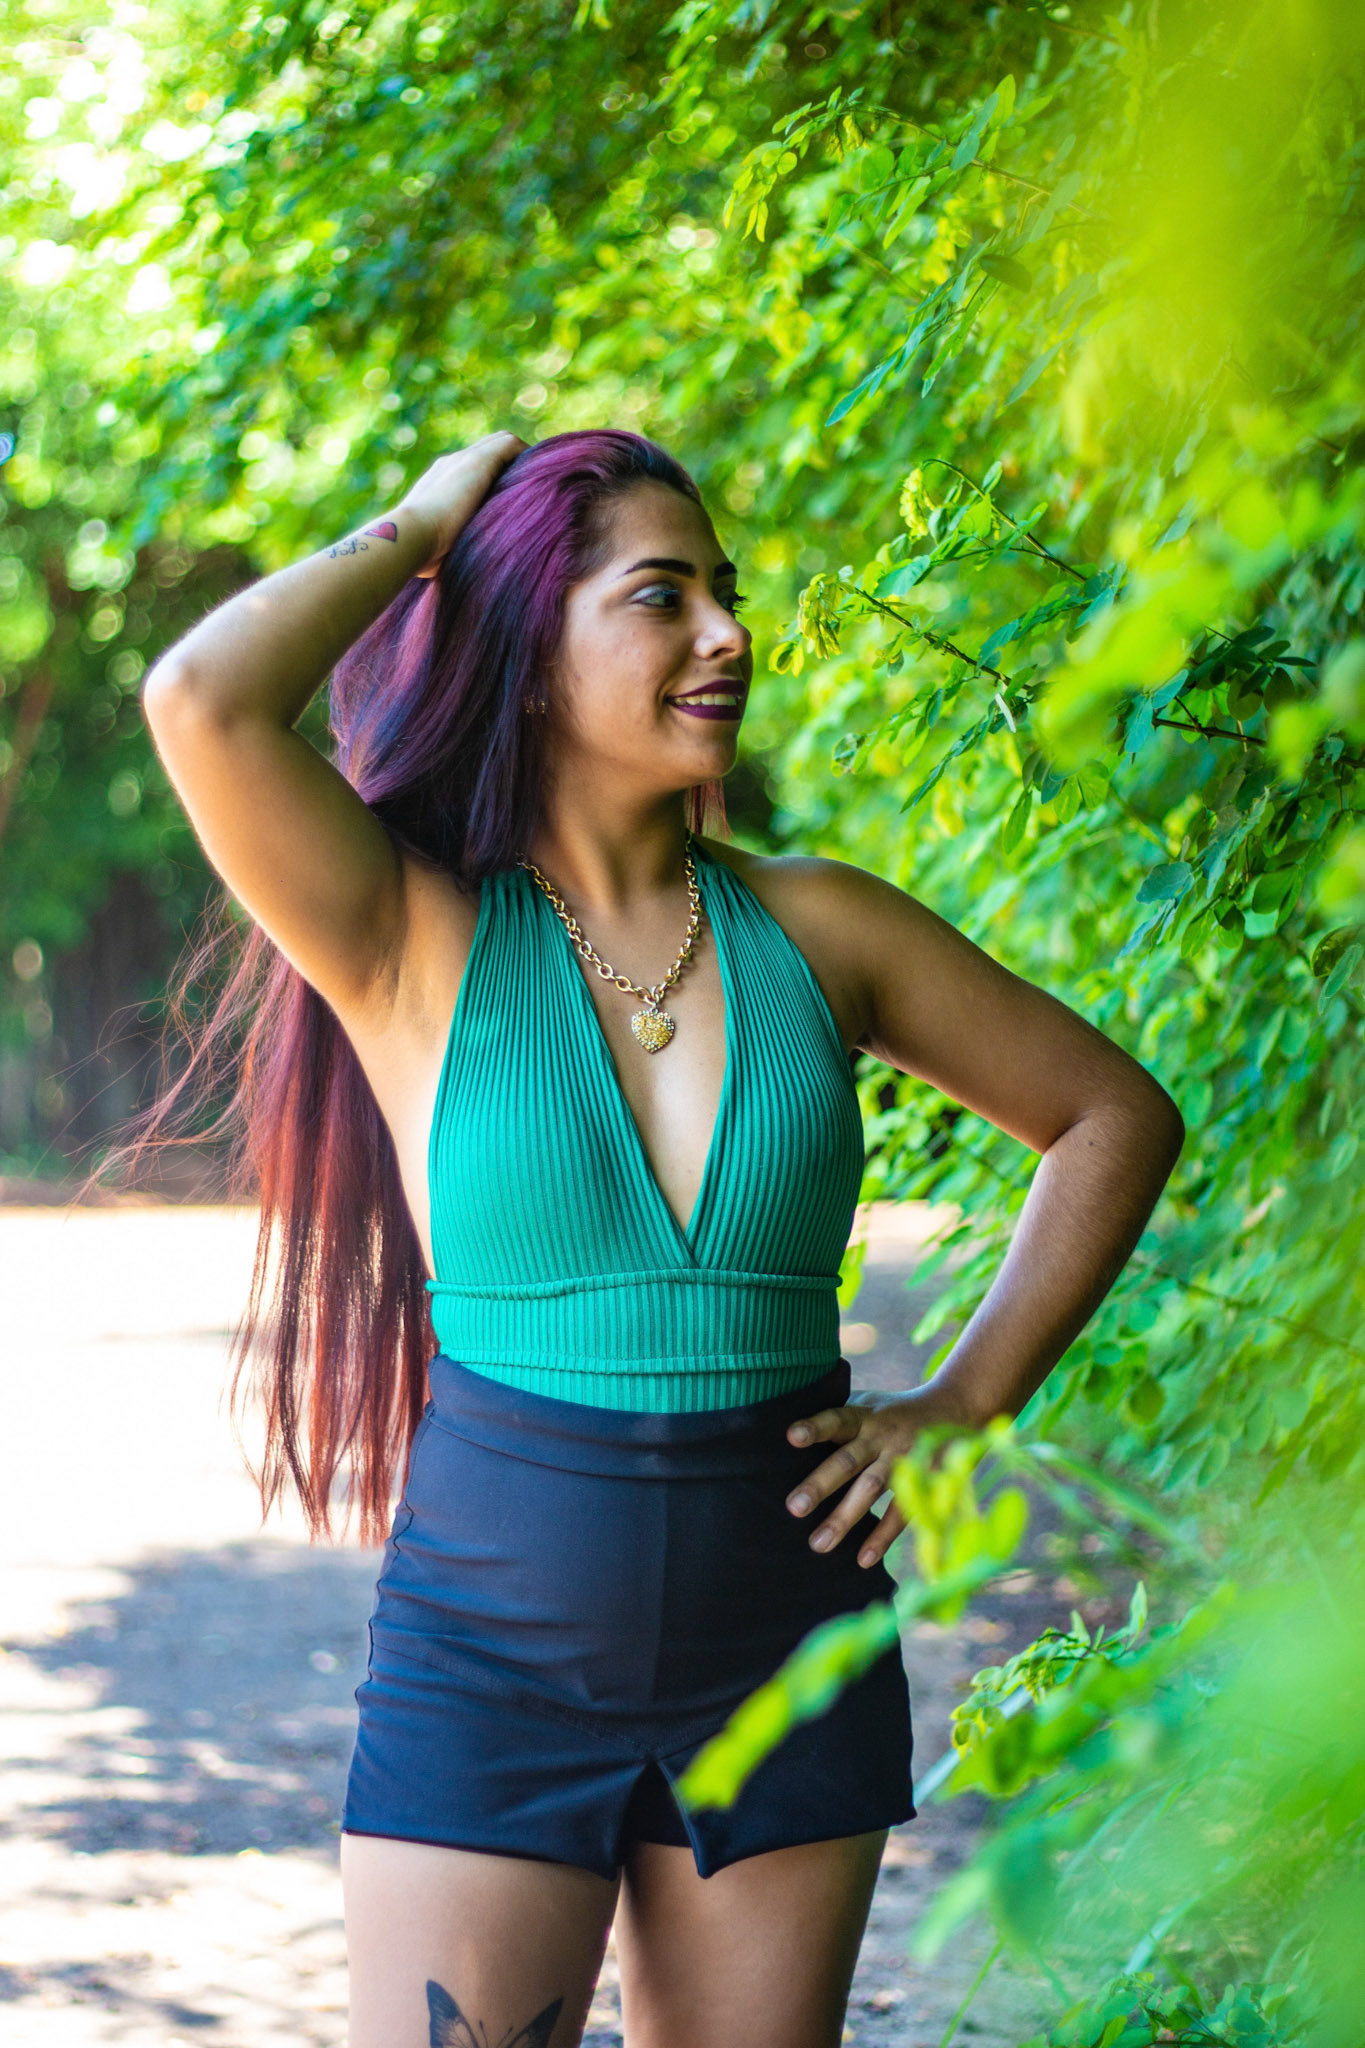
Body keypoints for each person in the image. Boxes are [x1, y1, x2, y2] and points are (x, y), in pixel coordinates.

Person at [140, 428, 1183, 2048]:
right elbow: (200, 700)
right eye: (660, 596)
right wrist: (421, 528)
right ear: (528, 648)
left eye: (726, 592)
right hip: (491, 1654)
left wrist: (963, 1401)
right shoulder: (411, 932)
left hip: (783, 1635)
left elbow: (1109, 1118)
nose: (726, 634)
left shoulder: (821, 928)